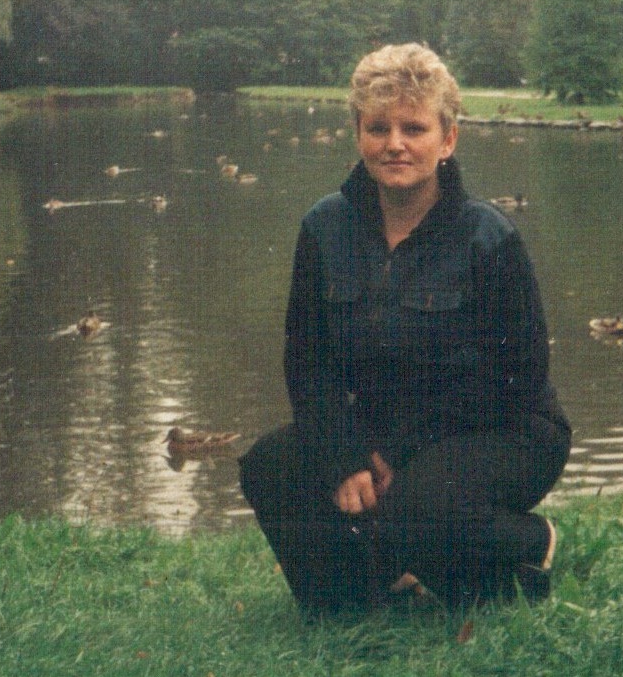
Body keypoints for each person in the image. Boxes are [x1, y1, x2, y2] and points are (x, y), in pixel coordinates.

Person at [238, 43, 571, 613]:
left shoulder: (489, 237)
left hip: (504, 427)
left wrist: (399, 450)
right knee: (273, 465)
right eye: (379, 128)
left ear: (448, 139)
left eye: (414, 128)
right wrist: (344, 456)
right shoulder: (323, 229)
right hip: (386, 426)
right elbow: (308, 363)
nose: (395, 144)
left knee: (420, 508)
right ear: (358, 134)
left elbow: (516, 377)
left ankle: (527, 544)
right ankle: (375, 581)